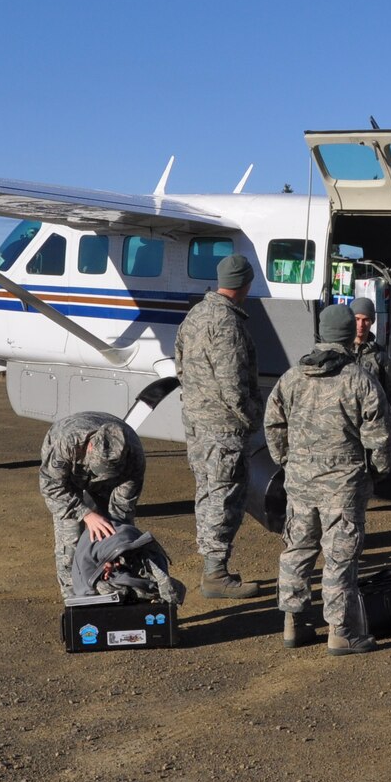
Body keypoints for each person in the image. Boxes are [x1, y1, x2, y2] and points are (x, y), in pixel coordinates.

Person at [265, 303, 391, 655]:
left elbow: (273, 425)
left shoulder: (292, 377)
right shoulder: (359, 379)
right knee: (339, 557)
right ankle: (341, 632)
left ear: (320, 333)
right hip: (343, 485)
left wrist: (287, 462)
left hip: (301, 483)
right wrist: (377, 473)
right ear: (349, 332)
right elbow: (380, 435)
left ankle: (295, 624)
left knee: (297, 550)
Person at [173, 252, 265, 599]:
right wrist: (254, 419)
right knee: (223, 497)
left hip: (197, 423)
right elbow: (233, 386)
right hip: (223, 429)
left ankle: (214, 567)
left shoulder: (196, 315)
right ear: (246, 284)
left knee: (208, 492)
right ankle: (215, 575)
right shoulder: (226, 323)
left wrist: (198, 401)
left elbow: (179, 363)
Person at [38, 410, 146, 600]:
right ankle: (73, 598)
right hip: (66, 477)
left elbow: (122, 512)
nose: (98, 477)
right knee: (69, 539)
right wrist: (85, 513)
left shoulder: (134, 459)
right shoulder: (65, 442)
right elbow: (51, 488)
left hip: (112, 484)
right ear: (89, 448)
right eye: (97, 471)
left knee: (114, 534)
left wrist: (112, 553)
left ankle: (112, 589)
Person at [350, 296, 391, 446]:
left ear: (372, 321)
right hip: (345, 424)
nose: (361, 325)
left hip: (371, 426)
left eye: (366, 320)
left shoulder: (380, 356)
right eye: (357, 319)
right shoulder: (339, 352)